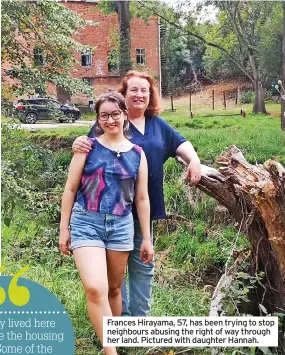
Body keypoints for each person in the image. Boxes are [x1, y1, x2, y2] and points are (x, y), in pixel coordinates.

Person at [72, 71, 201, 317]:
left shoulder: (157, 124)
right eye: (134, 89)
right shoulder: (110, 122)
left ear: (150, 95)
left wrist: (193, 160)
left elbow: (181, 144)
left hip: (143, 208)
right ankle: (117, 322)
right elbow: (86, 152)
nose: (140, 94)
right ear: (123, 94)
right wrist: (76, 143)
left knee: (143, 265)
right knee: (113, 273)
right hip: (108, 210)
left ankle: (139, 320)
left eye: (145, 90)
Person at [59, 91, 154, 355]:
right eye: (104, 115)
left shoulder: (138, 154)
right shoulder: (86, 147)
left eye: (115, 114)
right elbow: (69, 190)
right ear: (98, 118)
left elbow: (142, 199)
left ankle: (110, 341)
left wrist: (146, 238)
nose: (110, 120)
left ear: (125, 115)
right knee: (95, 288)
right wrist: (64, 229)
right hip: (86, 221)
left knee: (113, 289)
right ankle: (110, 351)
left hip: (121, 225)